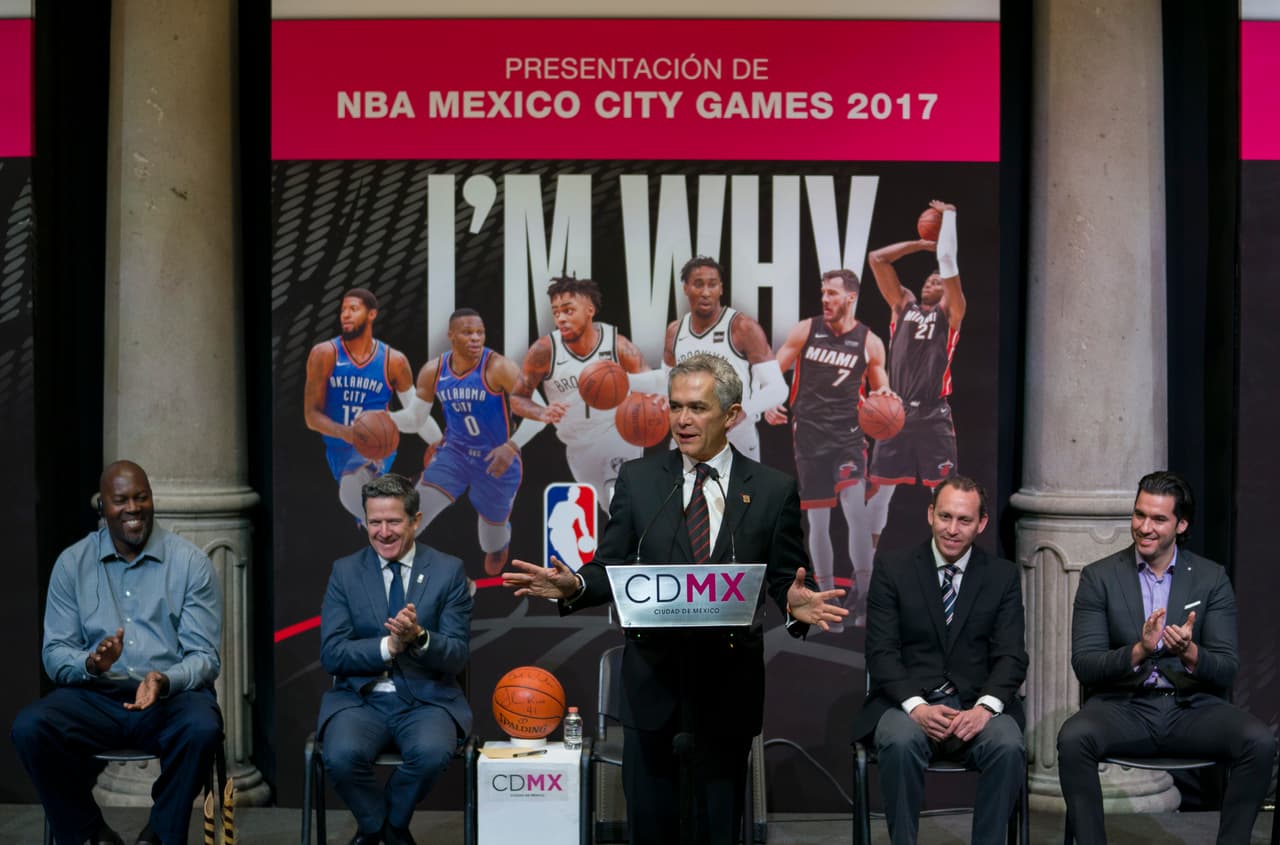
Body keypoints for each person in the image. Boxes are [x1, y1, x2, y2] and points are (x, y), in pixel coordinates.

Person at [504, 352, 847, 845]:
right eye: (676, 406)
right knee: (651, 824)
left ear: (732, 415)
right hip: (653, 682)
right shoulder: (640, 481)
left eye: (698, 408)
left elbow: (785, 578)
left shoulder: (773, 490)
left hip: (729, 684)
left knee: (718, 826)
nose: (682, 419)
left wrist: (797, 605)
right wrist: (576, 585)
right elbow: (612, 565)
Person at [1057, 471, 1276, 845]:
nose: (1145, 527)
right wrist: (1140, 650)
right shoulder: (1100, 577)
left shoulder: (1211, 578)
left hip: (1191, 708)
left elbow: (1226, 668)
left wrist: (1189, 652)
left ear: (1181, 524)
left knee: (1259, 742)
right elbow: (1086, 664)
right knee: (1074, 738)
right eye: (1139, 515)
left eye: (1158, 519)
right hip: (1124, 707)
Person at [12, 461, 223, 845]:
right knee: (31, 727)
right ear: (102, 506)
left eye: (141, 497)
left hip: (167, 699)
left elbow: (205, 657)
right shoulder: (72, 564)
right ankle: (89, 834)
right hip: (96, 697)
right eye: (120, 500)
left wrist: (164, 679)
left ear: (151, 500)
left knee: (202, 726)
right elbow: (55, 653)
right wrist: (90, 663)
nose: (132, 508)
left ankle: (159, 835)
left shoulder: (190, 563)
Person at [850, 476, 1027, 845]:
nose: (952, 529)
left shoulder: (1002, 576)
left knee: (1008, 743)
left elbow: (1011, 656)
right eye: (944, 516)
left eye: (964, 520)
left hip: (973, 709)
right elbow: (881, 652)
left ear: (981, 524)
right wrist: (917, 707)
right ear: (930, 514)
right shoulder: (893, 568)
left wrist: (985, 709)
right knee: (899, 741)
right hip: (907, 706)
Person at [317, 473, 473, 845]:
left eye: (393, 522)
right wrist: (389, 646)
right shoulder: (345, 571)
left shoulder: (448, 571)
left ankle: (380, 829)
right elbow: (333, 653)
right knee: (339, 756)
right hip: (361, 699)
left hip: (427, 698)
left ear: (415, 521)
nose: (383, 532)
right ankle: (388, 832)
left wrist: (418, 637)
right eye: (374, 522)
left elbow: (456, 655)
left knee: (433, 753)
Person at [765, 268, 890, 628]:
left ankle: (863, 594)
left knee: (855, 509)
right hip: (810, 436)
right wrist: (772, 399)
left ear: (850, 297)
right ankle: (827, 598)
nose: (825, 299)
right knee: (817, 521)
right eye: (823, 293)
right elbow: (775, 371)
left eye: (832, 294)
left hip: (849, 436)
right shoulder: (807, 329)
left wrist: (887, 404)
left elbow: (883, 395)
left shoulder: (870, 341)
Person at [389, 308, 544, 576]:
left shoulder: (499, 367)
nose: (475, 338)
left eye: (480, 332)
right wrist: (385, 419)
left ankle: (500, 541)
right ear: (451, 336)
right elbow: (415, 419)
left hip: (495, 459)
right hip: (455, 454)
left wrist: (511, 447)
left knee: (491, 542)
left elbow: (539, 413)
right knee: (415, 514)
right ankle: (389, 570)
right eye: (467, 332)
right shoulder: (434, 370)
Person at [865, 200, 965, 546]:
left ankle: (944, 565)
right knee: (879, 492)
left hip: (934, 412)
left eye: (938, 279)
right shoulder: (902, 306)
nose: (932, 279)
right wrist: (921, 245)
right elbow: (877, 258)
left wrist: (948, 219)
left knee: (946, 497)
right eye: (929, 277)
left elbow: (949, 264)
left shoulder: (951, 312)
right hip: (898, 410)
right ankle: (869, 571)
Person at [509, 276, 649, 512]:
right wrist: (542, 412)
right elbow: (517, 398)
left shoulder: (617, 345)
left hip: (618, 431)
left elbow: (650, 384)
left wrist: (648, 408)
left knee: (620, 495)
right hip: (578, 446)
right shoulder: (544, 351)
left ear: (589, 311)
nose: (561, 318)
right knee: (611, 508)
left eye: (568, 310)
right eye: (556, 312)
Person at [304, 288, 416, 522]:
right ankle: (385, 524)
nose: (345, 314)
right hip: (336, 447)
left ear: (372, 314)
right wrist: (346, 432)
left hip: (375, 445)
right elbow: (311, 416)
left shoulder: (393, 360)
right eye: (343, 309)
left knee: (354, 483)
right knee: (351, 501)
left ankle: (386, 525)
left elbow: (415, 414)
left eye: (353, 309)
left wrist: (436, 440)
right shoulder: (324, 353)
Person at [662, 256, 788, 461]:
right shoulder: (675, 331)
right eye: (698, 284)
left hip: (736, 441)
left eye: (712, 285)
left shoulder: (742, 328)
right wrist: (629, 383)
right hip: (687, 441)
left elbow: (778, 388)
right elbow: (665, 384)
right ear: (685, 288)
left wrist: (743, 411)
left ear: (721, 288)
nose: (705, 292)